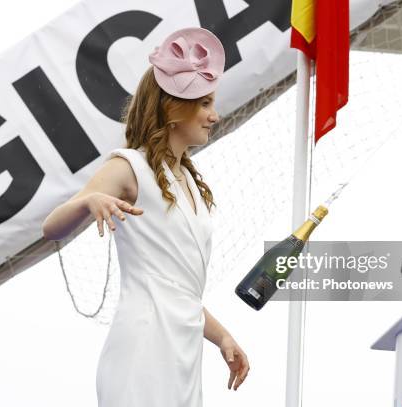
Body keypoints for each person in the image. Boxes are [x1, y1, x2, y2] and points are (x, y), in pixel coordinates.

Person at [41, 27, 250, 406]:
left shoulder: (187, 179)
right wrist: (88, 203)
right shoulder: (130, 166)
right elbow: (51, 227)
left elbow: (176, 290)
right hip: (144, 346)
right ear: (173, 109)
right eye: (204, 104)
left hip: (182, 348)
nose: (214, 115)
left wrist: (222, 337)